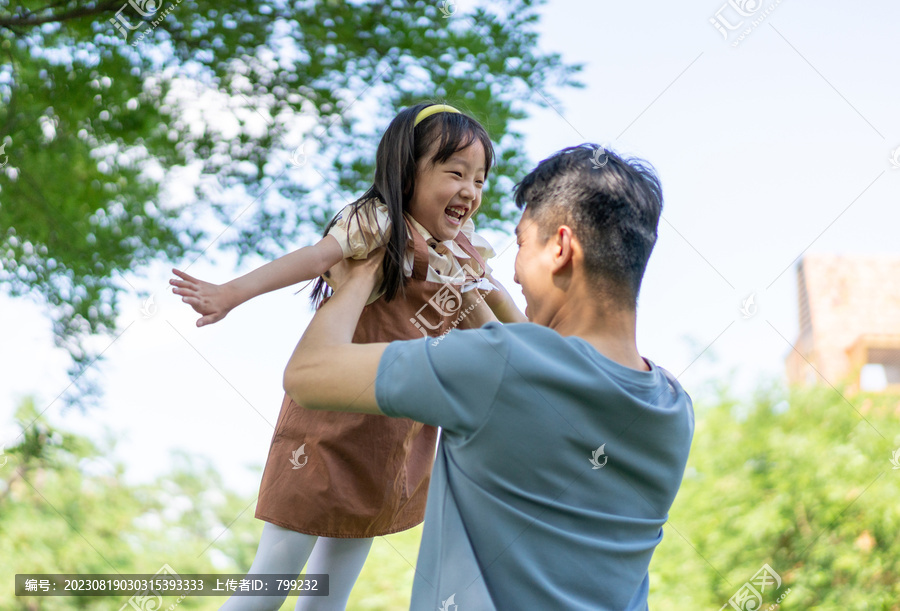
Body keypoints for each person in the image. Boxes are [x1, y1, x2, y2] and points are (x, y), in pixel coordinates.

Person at [282, 144, 695, 610]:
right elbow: (547, 367)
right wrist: (482, 293)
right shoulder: (674, 409)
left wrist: (359, 276)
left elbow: (307, 373)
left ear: (559, 248)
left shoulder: (496, 365)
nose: (514, 274)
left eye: (520, 245)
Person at [169, 103, 526, 610]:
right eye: (455, 172)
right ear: (407, 173)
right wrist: (232, 292)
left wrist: (551, 362)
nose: (471, 190)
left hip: (392, 438)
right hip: (328, 428)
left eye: (481, 179)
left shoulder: (462, 254)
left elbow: (503, 327)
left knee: (332, 591)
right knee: (273, 574)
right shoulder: (380, 224)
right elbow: (313, 259)